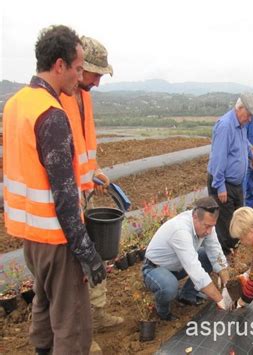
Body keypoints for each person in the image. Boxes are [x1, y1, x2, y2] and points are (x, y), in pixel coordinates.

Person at [2, 25, 106, 354]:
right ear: (59, 65)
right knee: (73, 327)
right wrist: (87, 253)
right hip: (57, 239)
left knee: (44, 307)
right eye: (78, 68)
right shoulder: (52, 115)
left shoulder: (15, 104)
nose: (80, 77)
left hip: (30, 238)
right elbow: (63, 197)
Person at [59, 36, 121, 354]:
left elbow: (82, 148)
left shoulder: (85, 97)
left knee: (96, 255)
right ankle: (84, 336)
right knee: (75, 268)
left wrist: (93, 170)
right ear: (78, 67)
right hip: (67, 201)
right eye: (95, 74)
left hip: (86, 193)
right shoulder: (59, 98)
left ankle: (98, 313)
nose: (97, 81)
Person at [142, 197, 232, 321]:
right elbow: (196, 271)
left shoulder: (207, 225)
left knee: (207, 256)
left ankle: (187, 295)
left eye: (212, 226)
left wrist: (228, 287)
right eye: (206, 226)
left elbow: (216, 254)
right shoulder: (180, 230)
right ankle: (162, 312)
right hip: (155, 268)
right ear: (195, 217)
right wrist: (221, 300)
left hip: (178, 265)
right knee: (169, 287)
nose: (209, 231)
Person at [207, 93, 253, 254]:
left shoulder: (241, 125)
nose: (250, 119)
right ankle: (224, 255)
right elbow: (218, 157)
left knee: (238, 221)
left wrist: (251, 156)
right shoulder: (225, 126)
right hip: (224, 185)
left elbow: (244, 143)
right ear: (240, 108)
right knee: (226, 225)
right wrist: (220, 186)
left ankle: (233, 249)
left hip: (237, 184)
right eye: (249, 115)